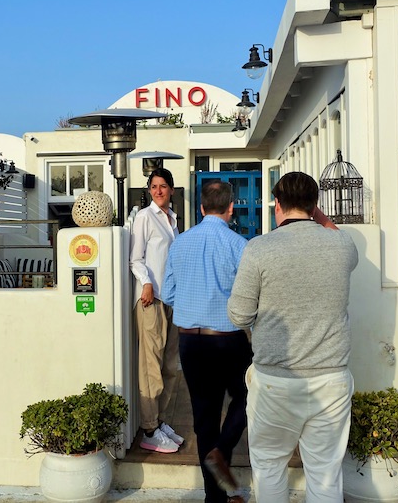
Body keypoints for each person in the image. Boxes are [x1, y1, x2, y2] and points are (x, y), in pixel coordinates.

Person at [227, 171, 359, 503]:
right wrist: (317, 216)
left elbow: (239, 315)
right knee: (325, 475)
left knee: (270, 467)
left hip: (275, 381)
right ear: (316, 206)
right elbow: (333, 231)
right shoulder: (343, 245)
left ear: (277, 205)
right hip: (331, 379)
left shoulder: (259, 249)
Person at [162, 181, 253, 503]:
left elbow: (168, 293)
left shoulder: (180, 243)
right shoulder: (240, 245)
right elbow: (248, 299)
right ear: (231, 208)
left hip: (190, 342)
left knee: (204, 416)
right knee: (247, 397)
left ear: (201, 208)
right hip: (228, 340)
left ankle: (213, 497)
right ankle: (223, 449)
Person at [129, 167, 183, 453]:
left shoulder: (173, 220)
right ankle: (149, 428)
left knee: (171, 367)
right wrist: (146, 283)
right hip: (152, 300)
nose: (158, 191)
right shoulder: (144, 217)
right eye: (154, 187)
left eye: (163, 186)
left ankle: (160, 422)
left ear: (172, 189)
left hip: (172, 300)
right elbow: (135, 258)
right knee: (151, 368)